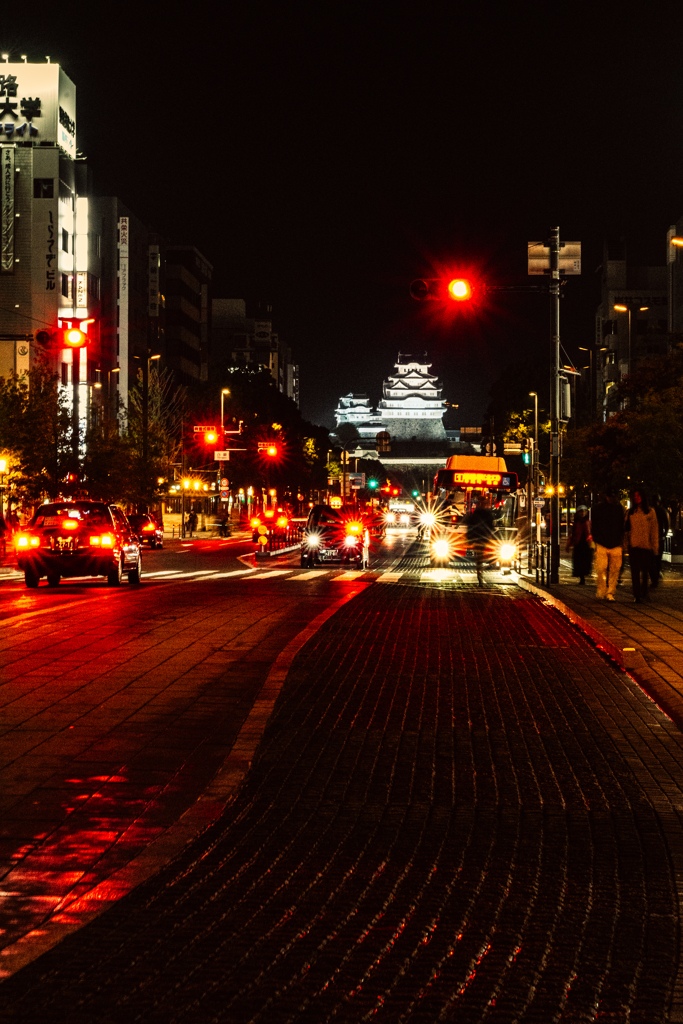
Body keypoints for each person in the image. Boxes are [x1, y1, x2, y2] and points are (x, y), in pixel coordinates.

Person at [624, 488, 658, 603]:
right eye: (635, 495)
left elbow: (654, 530)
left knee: (645, 571)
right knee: (635, 571)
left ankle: (644, 592)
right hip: (634, 545)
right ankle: (637, 594)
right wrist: (625, 545)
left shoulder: (650, 511)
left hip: (646, 545)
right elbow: (626, 530)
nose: (637, 497)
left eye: (639, 495)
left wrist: (655, 546)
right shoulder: (630, 512)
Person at [590, 489, 625, 601]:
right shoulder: (617, 508)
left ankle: (608, 591)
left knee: (610, 569)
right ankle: (605, 590)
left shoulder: (617, 508)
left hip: (611, 542)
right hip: (607, 542)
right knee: (604, 568)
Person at [464, 495, 495, 585]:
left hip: (479, 537)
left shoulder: (476, 513)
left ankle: (479, 574)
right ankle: (480, 575)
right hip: (481, 538)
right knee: (480, 557)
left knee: (479, 557)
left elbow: (470, 526)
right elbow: (490, 526)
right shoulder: (485, 513)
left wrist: (469, 537)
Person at [566, 506, 592, 585]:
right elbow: (573, 534)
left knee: (585, 561)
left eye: (584, 511)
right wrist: (569, 545)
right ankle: (582, 577)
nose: (583, 513)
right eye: (581, 512)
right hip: (579, 544)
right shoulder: (576, 523)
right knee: (579, 561)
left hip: (586, 544)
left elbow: (591, 532)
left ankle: (583, 576)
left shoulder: (588, 522)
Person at [650, 496, 669, 588]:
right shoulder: (662, 511)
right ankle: (656, 577)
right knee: (657, 559)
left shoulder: (649, 510)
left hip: (651, 538)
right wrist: (664, 534)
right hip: (659, 537)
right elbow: (666, 524)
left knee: (651, 559)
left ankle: (654, 577)